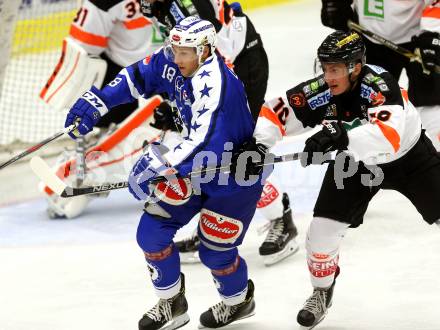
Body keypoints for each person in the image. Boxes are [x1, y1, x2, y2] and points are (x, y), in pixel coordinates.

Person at [64, 17, 268, 329]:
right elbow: (138, 75)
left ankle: (239, 301)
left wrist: (157, 165)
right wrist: (101, 101)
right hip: (191, 168)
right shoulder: (176, 58)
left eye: (185, 52)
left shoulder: (217, 85)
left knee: (215, 254)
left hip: (231, 175)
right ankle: (172, 303)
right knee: (151, 232)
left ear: (204, 50)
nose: (176, 58)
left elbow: (205, 142)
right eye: (174, 49)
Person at [252, 30, 440, 328]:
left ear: (355, 66)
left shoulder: (379, 83)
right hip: (355, 165)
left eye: (335, 69)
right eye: (325, 68)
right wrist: (260, 144)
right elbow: (277, 111)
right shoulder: (323, 87)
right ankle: (321, 291)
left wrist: (339, 135)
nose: (328, 76)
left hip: (409, 158)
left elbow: (388, 138)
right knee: (321, 232)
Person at [140, 0, 299, 266]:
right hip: (217, 68)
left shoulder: (186, 8)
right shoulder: (158, 6)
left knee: (233, 154)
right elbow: (176, 57)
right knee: (209, 157)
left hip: (239, 66)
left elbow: (211, 62)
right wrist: (174, 101)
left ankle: (281, 218)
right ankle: (211, 224)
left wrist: (182, 104)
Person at [40, 0, 165, 219]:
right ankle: (77, 173)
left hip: (172, 69)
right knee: (119, 139)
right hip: (124, 77)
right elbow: (81, 49)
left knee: (180, 131)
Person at [320, 0, 440, 149]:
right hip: (369, 34)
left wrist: (433, 31)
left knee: (430, 102)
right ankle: (366, 159)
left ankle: (431, 157)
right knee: (363, 103)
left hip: (419, 35)